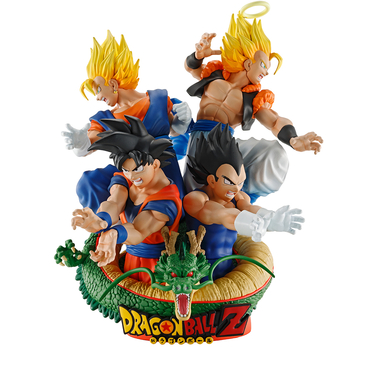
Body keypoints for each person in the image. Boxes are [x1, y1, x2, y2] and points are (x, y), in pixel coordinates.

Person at [183, 3, 323, 201]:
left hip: (223, 144)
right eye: (264, 65)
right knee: (193, 195)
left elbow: (274, 121)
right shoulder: (216, 74)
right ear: (249, 63)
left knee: (269, 155)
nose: (266, 72)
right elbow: (191, 68)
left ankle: (242, 201)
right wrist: (197, 56)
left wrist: (292, 139)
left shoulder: (252, 97)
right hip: (196, 137)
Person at [61, 30, 192, 211]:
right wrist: (80, 143)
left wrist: (182, 121)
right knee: (89, 183)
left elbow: (176, 130)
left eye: (98, 89)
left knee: (168, 208)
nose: (97, 97)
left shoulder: (158, 99)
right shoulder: (105, 118)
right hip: (129, 175)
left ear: (113, 84)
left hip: (162, 170)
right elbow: (90, 141)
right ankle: (108, 222)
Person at [183, 124, 304, 280]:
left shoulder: (239, 196)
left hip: (228, 268)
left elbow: (248, 207)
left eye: (241, 182)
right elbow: (218, 214)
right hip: (196, 273)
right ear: (212, 180)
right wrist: (245, 221)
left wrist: (270, 218)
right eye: (229, 182)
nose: (236, 188)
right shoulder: (196, 199)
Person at [71, 116, 182, 283]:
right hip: (129, 261)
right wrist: (102, 220)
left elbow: (138, 230)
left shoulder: (166, 201)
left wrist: (115, 233)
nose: (132, 176)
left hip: (155, 270)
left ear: (155, 164)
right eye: (126, 170)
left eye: (137, 169)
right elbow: (115, 201)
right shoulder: (129, 177)